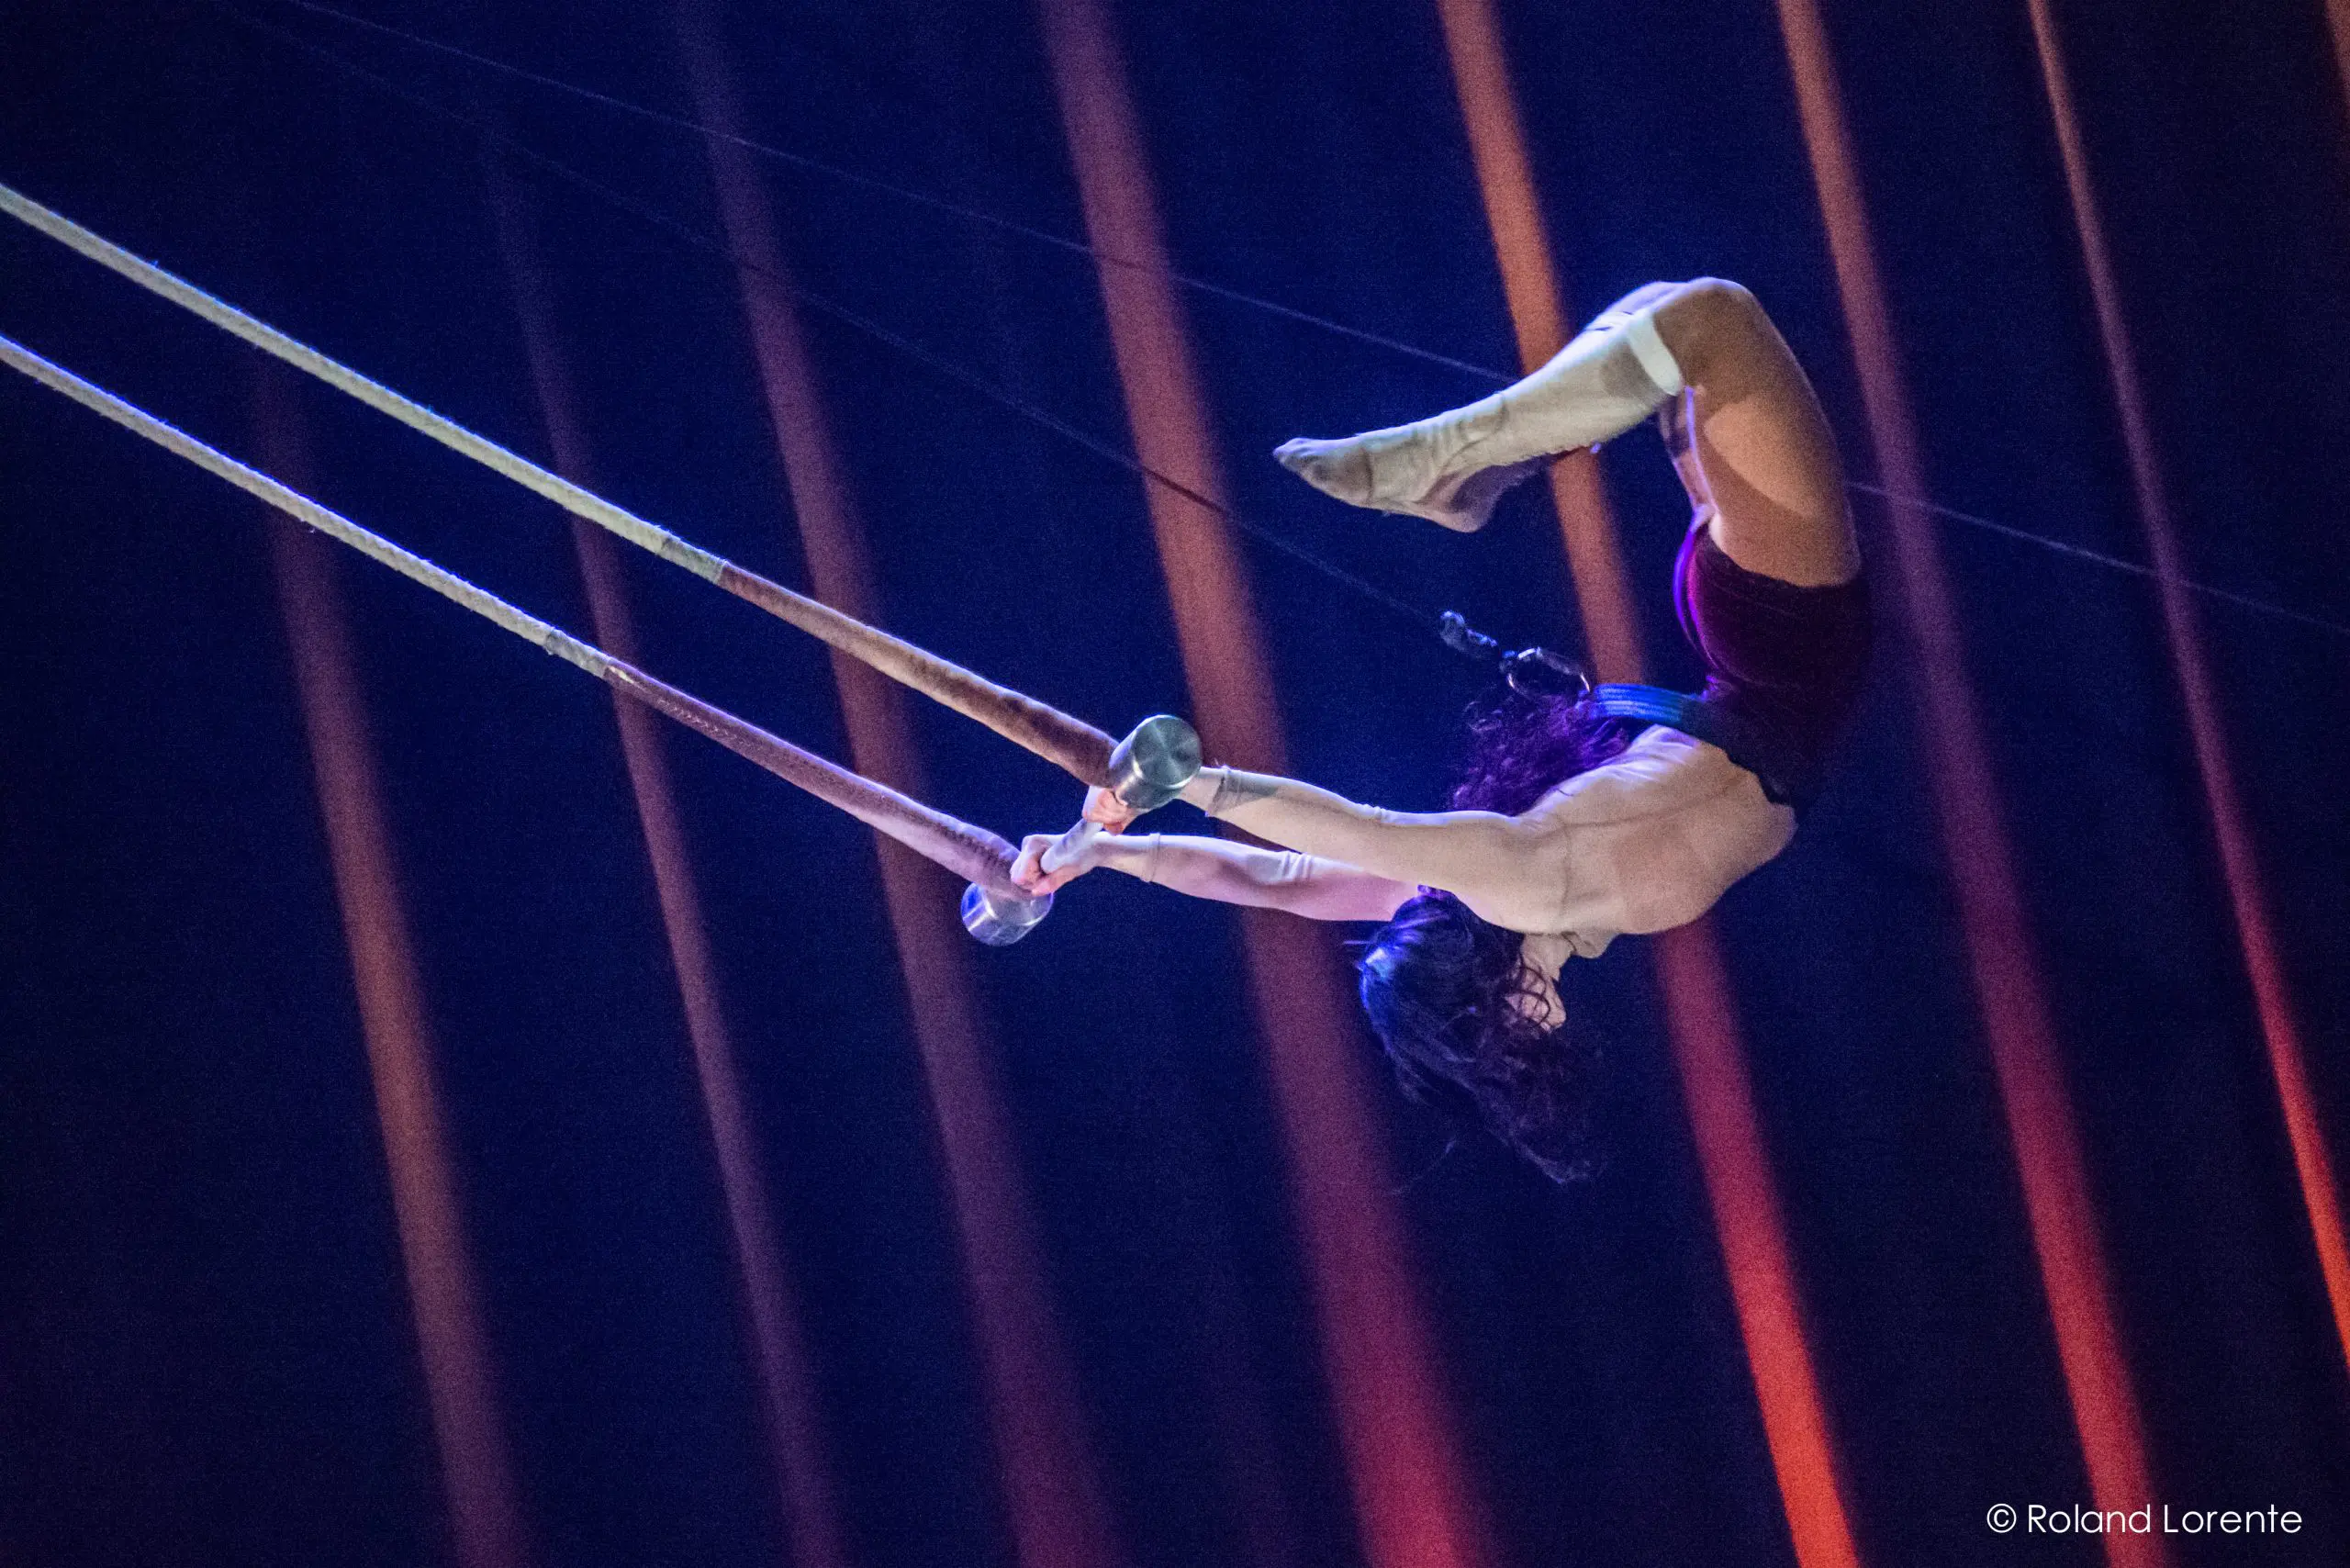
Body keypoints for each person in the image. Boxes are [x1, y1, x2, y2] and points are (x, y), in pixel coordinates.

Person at [1010, 278, 1869, 1180]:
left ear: (1497, 1002)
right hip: (1752, 650)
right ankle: (1478, 476)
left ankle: (1460, 456)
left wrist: (1163, 803)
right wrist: (1110, 850)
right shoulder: (1510, 897)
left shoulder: (1521, 889)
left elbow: (1310, 859)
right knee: (1672, 320)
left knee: (1707, 323)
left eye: (1501, 1041)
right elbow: (1290, 879)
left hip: (1788, 648)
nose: (1533, 1037)